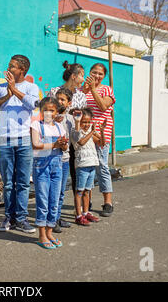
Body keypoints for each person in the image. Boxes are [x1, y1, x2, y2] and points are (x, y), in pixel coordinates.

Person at [0, 55, 39, 233]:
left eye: (12, 67)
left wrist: (14, 90)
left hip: (24, 140)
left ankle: (22, 219)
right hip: (5, 140)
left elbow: (33, 104)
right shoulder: (0, 88)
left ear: (22, 70)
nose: (8, 70)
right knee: (8, 183)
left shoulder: (31, 87)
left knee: (23, 182)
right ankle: (9, 217)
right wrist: (6, 95)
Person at [48, 62, 88, 218]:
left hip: (75, 140)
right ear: (74, 76)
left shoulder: (81, 95)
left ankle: (80, 210)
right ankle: (53, 216)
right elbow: (48, 111)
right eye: (82, 75)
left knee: (77, 175)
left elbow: (84, 117)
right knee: (59, 179)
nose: (83, 79)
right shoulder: (55, 91)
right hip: (59, 141)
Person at [31, 97, 68, 249]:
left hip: (57, 166)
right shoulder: (36, 125)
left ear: (56, 112)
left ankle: (50, 231)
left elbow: (64, 148)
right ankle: (41, 235)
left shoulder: (60, 127)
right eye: (45, 110)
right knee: (43, 201)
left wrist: (63, 145)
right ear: (40, 111)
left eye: (52, 110)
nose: (48, 113)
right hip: (41, 167)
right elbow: (35, 144)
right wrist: (54, 144)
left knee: (54, 201)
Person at [83, 63, 116, 217]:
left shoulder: (106, 89)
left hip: (102, 134)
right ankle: (86, 201)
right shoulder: (84, 90)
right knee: (86, 166)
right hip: (86, 133)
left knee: (101, 166)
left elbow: (103, 106)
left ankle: (107, 202)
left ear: (104, 76)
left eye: (100, 74)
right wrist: (85, 90)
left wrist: (93, 89)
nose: (96, 76)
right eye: (94, 72)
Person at [72, 108, 105, 226]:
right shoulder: (76, 132)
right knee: (79, 191)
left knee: (87, 191)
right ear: (78, 121)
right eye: (83, 122)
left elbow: (102, 143)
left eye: (88, 122)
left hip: (92, 164)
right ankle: (78, 215)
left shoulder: (90, 132)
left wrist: (100, 131)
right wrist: (92, 131)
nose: (86, 125)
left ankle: (86, 212)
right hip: (82, 166)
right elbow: (81, 142)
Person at [52, 88, 75, 233]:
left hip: (65, 159)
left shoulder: (71, 119)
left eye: (63, 100)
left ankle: (57, 217)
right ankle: (51, 220)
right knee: (52, 191)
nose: (60, 102)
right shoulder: (49, 116)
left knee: (61, 192)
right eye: (58, 99)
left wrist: (78, 123)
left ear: (69, 103)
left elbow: (76, 139)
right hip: (52, 159)